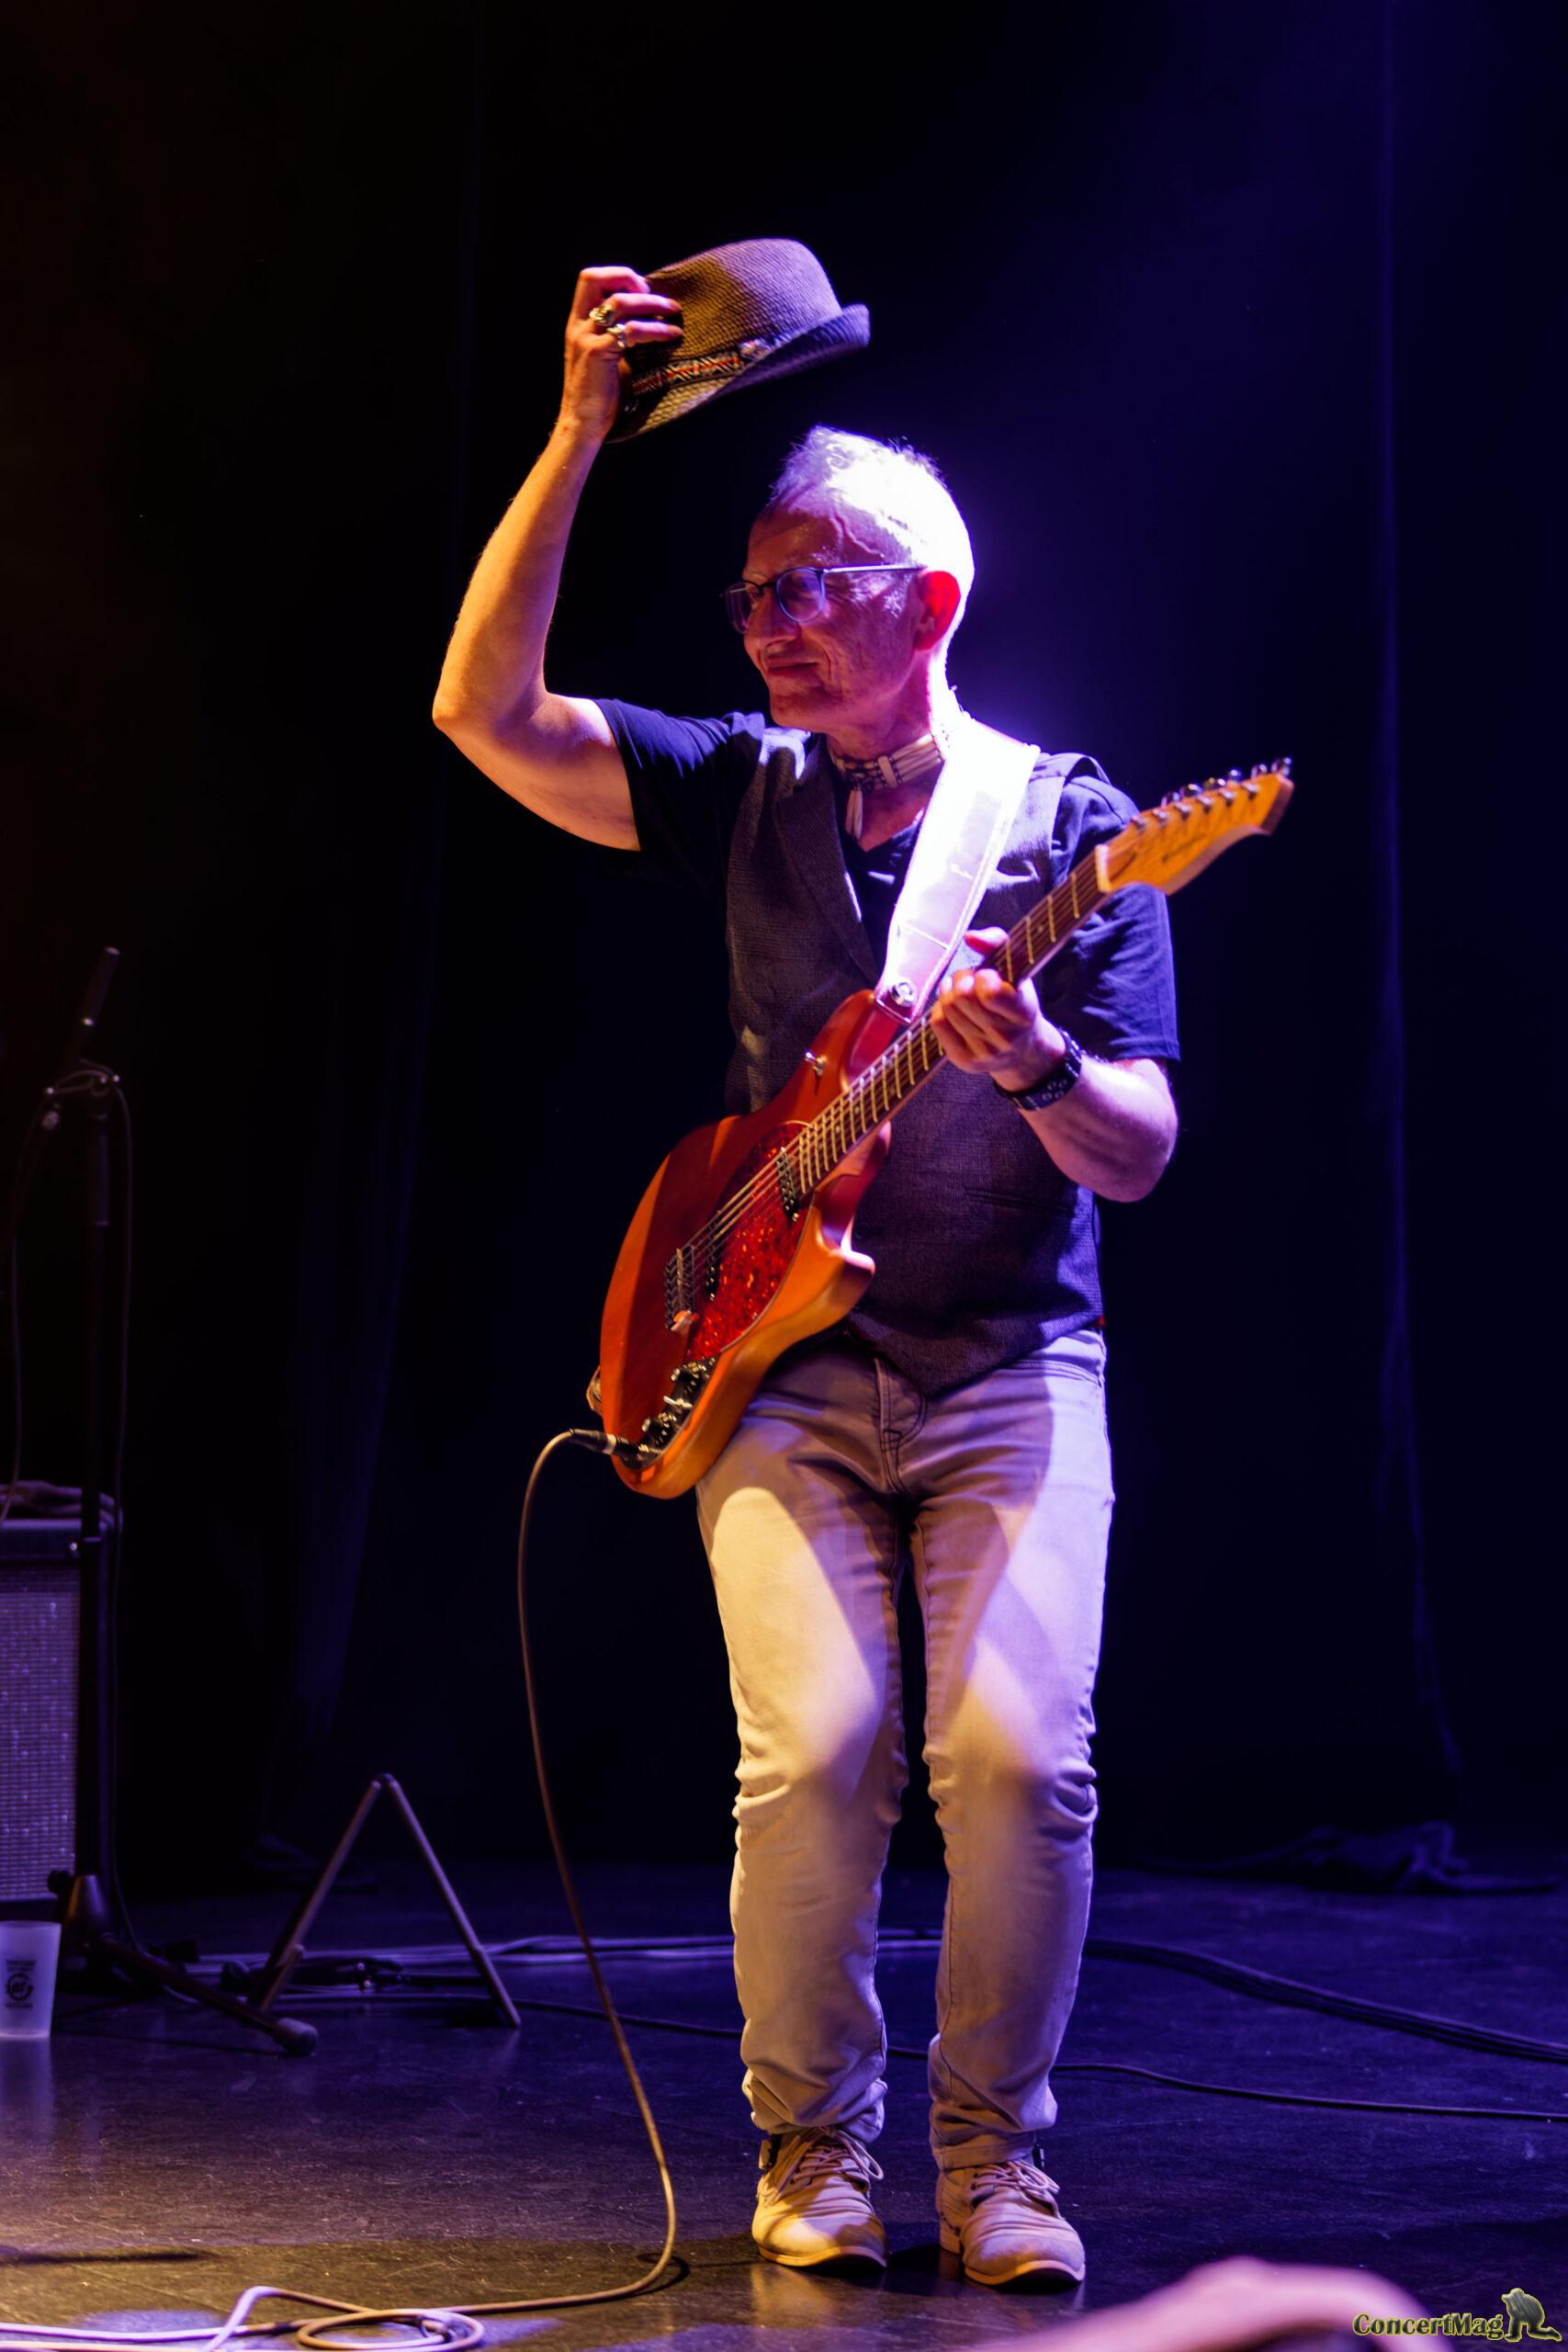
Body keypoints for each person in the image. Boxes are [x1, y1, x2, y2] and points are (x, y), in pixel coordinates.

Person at [434, 265, 1180, 2290]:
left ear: (925, 602)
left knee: (1017, 1764)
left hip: (1009, 1364)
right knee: (819, 1754)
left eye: (801, 588)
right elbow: (482, 712)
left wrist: (1033, 1060)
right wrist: (578, 431)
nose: (759, 624)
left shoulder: (1073, 828)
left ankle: (994, 2164)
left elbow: (1138, 1147)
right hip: (777, 1363)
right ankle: (811, 2143)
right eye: (749, 594)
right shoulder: (743, 786)